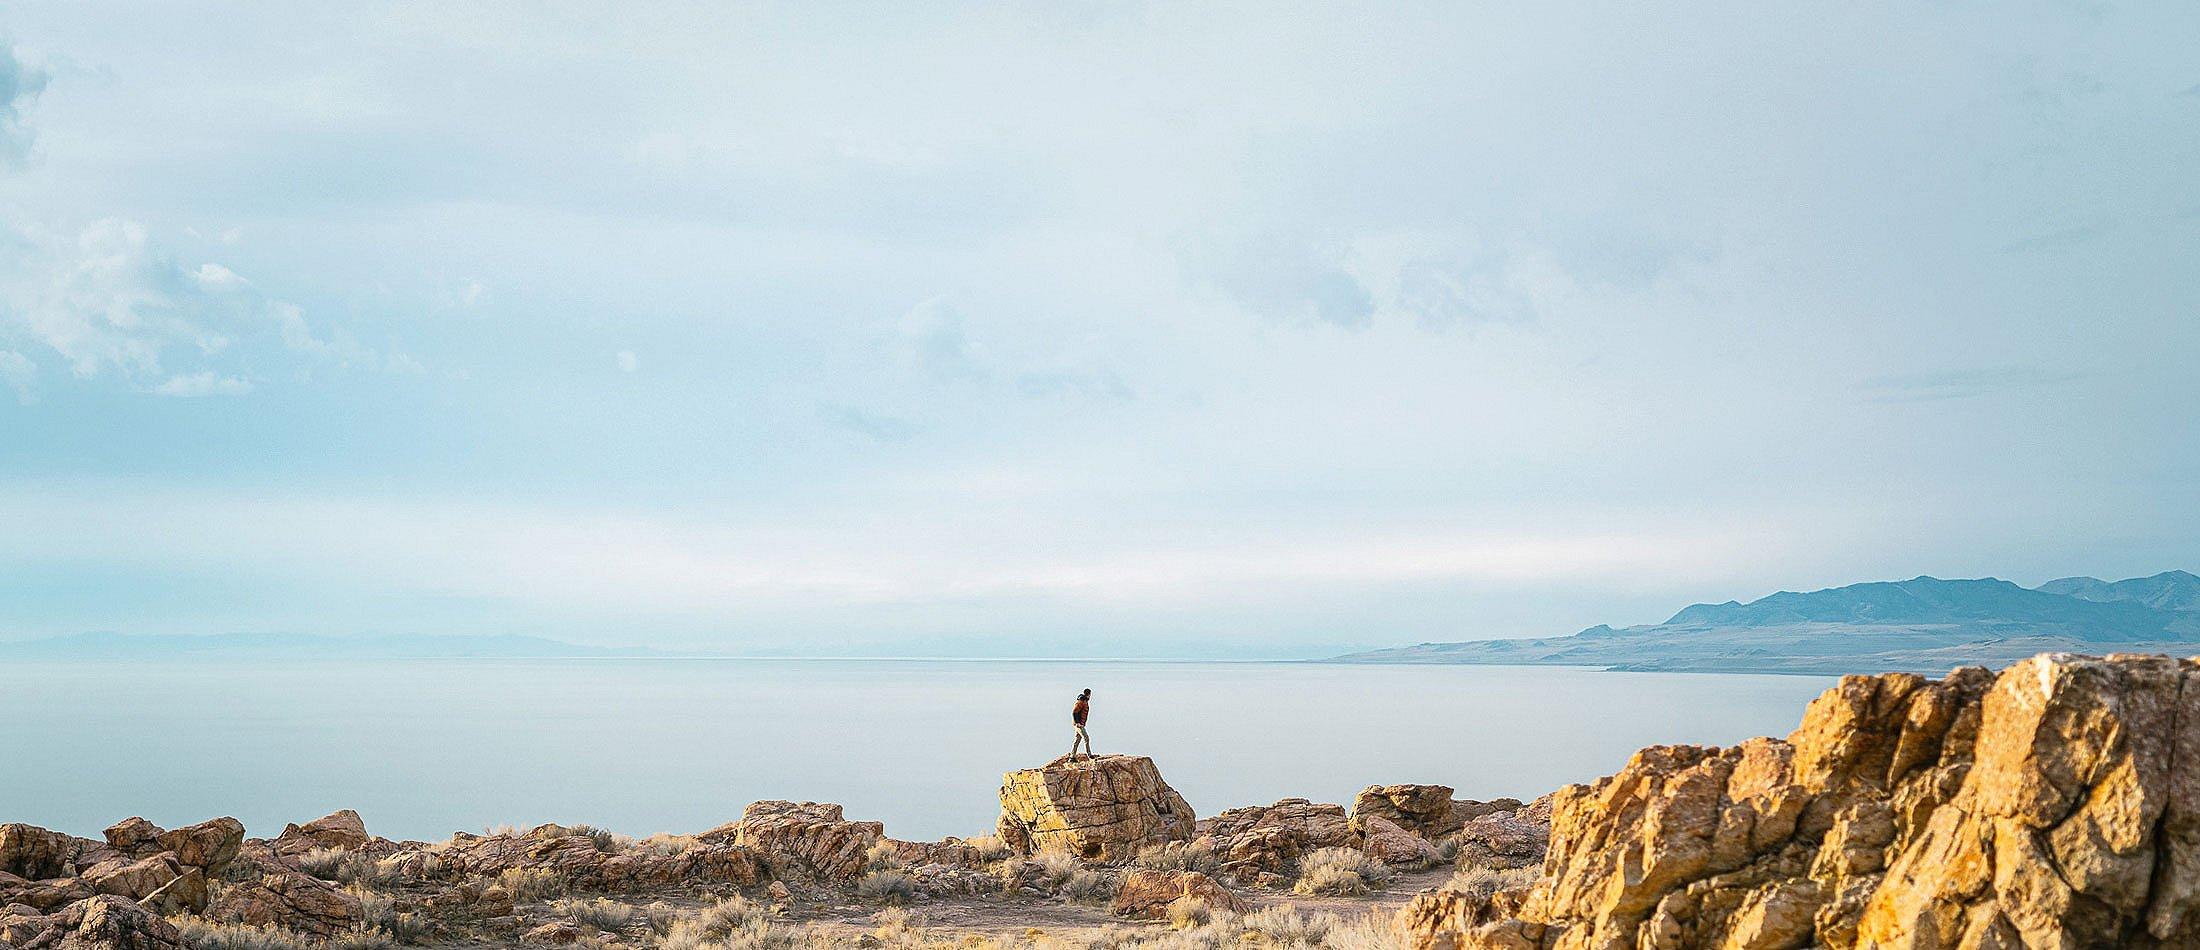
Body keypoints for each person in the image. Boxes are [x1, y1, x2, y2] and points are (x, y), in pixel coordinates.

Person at [1069, 688, 1092, 758]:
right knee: (1086, 738)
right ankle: (1089, 755)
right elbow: (1074, 712)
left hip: (1081, 724)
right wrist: (1077, 722)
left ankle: (1072, 757)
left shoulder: (1084, 701)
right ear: (1089, 694)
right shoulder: (1081, 702)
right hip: (1079, 724)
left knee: (1077, 740)